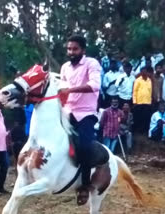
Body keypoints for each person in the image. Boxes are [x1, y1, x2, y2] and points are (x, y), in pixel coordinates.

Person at [59, 35, 101, 205]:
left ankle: (84, 185)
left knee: (84, 146)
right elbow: (61, 87)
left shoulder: (92, 64)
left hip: (86, 114)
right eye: (69, 49)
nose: (71, 52)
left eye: (75, 49)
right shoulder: (64, 67)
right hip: (67, 111)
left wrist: (70, 90)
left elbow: (95, 85)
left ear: (83, 50)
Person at [133, 67, 152, 133]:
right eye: (142, 72)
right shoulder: (137, 80)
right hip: (139, 102)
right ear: (141, 72)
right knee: (138, 117)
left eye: (145, 71)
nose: (144, 73)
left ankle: (144, 131)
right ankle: (137, 131)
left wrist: (150, 101)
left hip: (147, 102)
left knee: (146, 117)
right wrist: (134, 101)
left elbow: (150, 91)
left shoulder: (149, 80)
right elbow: (135, 91)